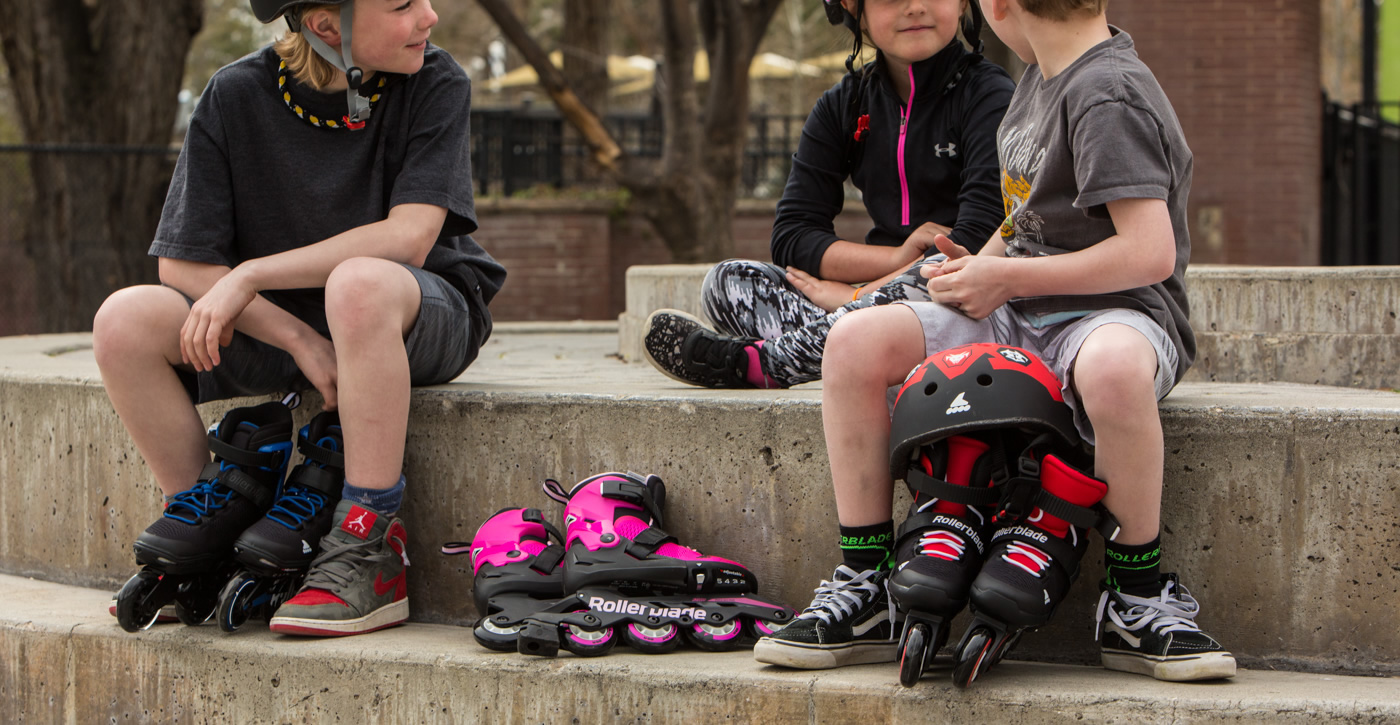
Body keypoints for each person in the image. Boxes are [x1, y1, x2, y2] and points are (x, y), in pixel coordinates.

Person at [751, 0, 1237, 682]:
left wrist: (1005, 279)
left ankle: (1137, 592)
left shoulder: (1108, 93)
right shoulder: (1041, 75)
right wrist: (975, 267)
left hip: (1110, 314)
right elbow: (1025, 215)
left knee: (1115, 370)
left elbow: (1150, 254)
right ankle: (866, 584)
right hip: (1019, 304)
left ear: (998, 5)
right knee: (855, 343)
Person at [93, 0, 504, 637]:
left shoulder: (435, 81)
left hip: (411, 312)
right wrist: (296, 337)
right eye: (402, 5)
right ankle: (204, 533)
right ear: (324, 24)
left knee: (357, 284)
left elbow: (408, 239)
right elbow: (181, 263)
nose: (430, 17)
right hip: (292, 327)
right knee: (124, 320)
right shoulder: (235, 94)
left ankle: (368, 544)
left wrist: (250, 274)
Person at [642, 0, 1014, 389]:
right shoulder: (845, 104)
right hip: (882, 298)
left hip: (960, 307)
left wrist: (852, 296)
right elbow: (792, 236)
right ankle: (841, 342)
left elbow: (971, 244)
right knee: (728, 283)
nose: (915, 6)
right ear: (856, 10)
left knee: (938, 270)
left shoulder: (990, 95)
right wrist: (891, 260)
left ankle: (762, 364)